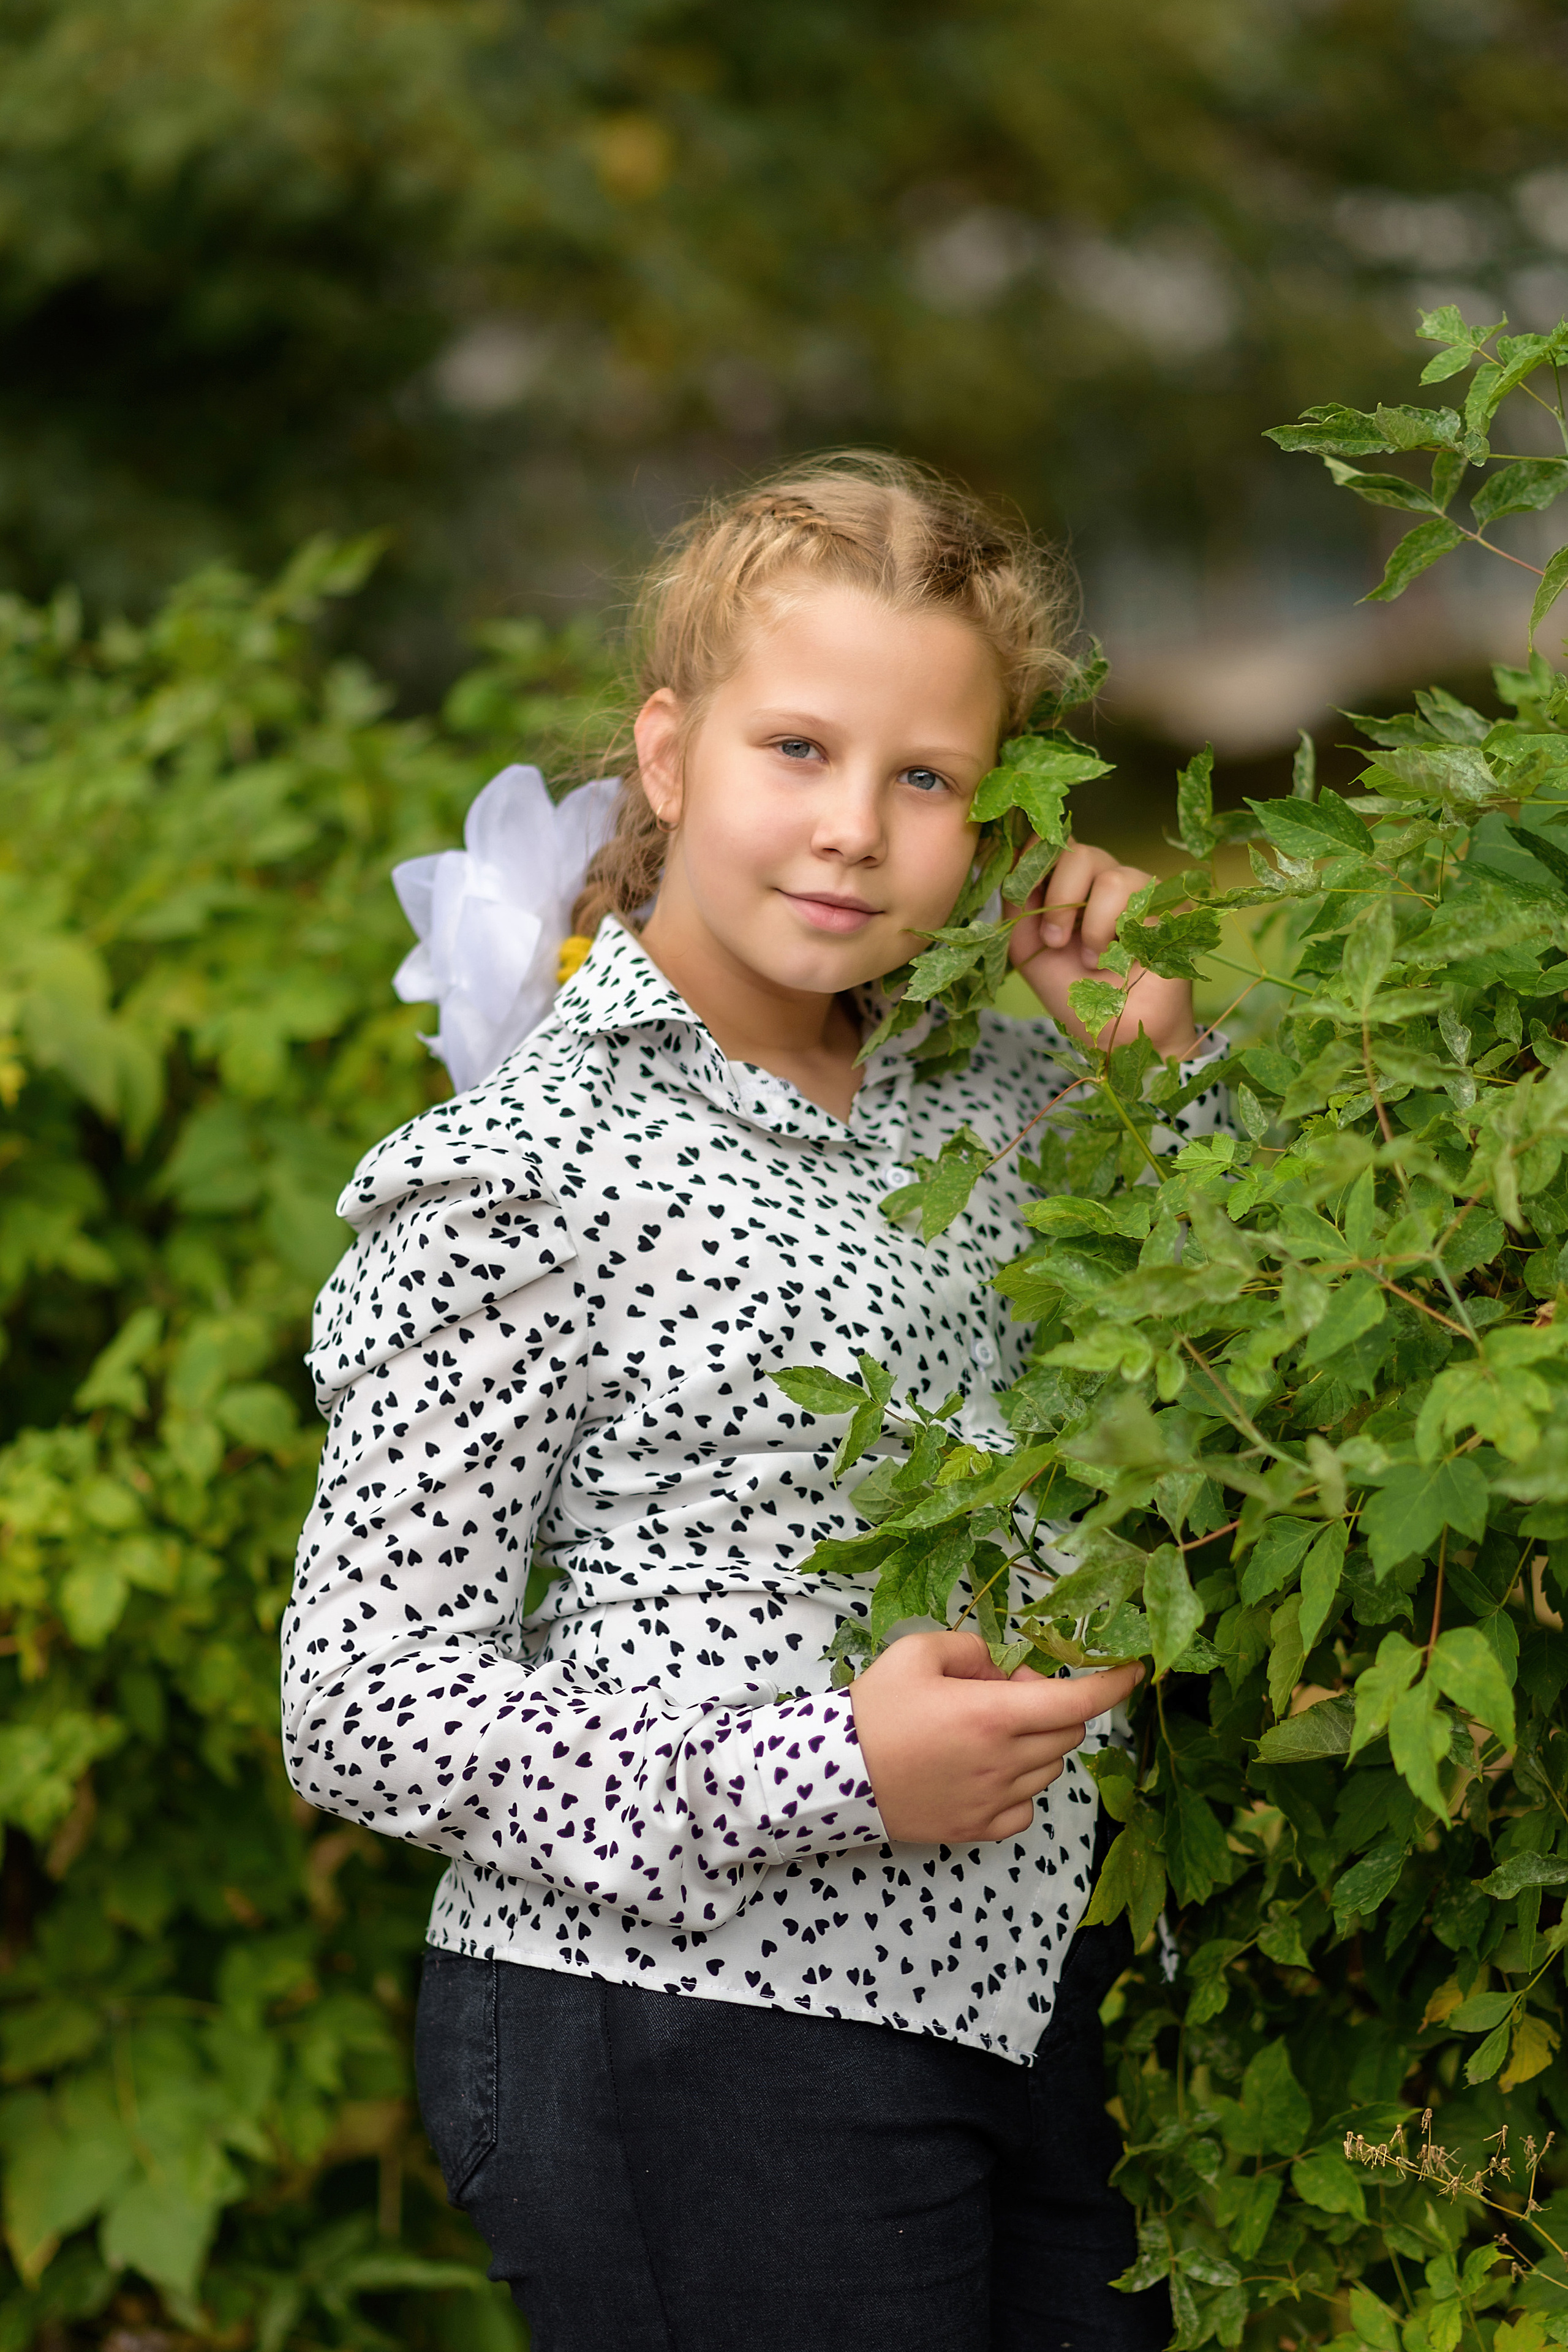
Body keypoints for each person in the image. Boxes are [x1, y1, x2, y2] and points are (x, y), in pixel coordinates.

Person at [282, 457, 1229, 2351]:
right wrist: (829, 1769)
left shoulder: (1000, 1101)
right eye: (796, 748)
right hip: (688, 2021)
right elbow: (355, 1704)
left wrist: (1166, 1073)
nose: (854, 830)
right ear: (667, 755)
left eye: (925, 777)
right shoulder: (525, 1170)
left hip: (1031, 1996)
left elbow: (1227, 1386)